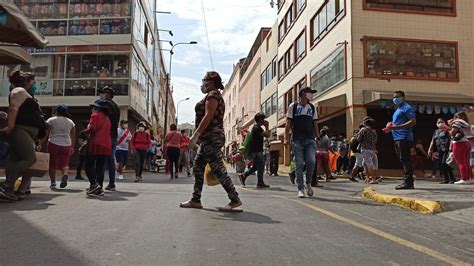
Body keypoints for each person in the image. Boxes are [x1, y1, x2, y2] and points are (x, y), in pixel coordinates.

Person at [180, 71, 241, 210]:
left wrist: (195, 136)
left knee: (217, 168)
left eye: (204, 80)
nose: (203, 83)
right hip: (209, 137)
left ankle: (235, 199)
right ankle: (196, 199)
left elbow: (208, 116)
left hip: (212, 137)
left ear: (212, 81)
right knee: (198, 166)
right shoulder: (213, 95)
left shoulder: (213, 95)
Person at [0, 71, 45, 201]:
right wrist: (10, 126)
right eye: (33, 81)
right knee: (30, 159)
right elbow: (13, 108)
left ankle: (7, 190)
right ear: (26, 80)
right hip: (21, 131)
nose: (35, 84)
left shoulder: (25, 94)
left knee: (15, 159)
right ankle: (6, 186)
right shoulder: (18, 91)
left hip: (27, 132)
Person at [284, 86, 319, 198]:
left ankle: (308, 183)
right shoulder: (293, 106)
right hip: (297, 140)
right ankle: (300, 188)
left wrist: (317, 137)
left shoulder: (312, 107)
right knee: (299, 164)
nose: (311, 95)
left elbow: (315, 123)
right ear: (303, 93)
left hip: (310, 139)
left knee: (311, 161)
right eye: (310, 93)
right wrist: (285, 138)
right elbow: (288, 123)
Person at [385, 90, 417, 190]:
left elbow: (413, 122)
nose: (395, 99)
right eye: (394, 97)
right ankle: (407, 180)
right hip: (397, 137)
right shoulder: (398, 109)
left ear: (403, 97)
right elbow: (397, 122)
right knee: (403, 160)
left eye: (397, 97)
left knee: (406, 160)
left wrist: (396, 127)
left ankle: (408, 182)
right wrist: (390, 125)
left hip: (404, 137)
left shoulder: (407, 108)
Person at [43, 104, 76, 190]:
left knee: (52, 164)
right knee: (64, 163)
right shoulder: (70, 122)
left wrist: (40, 142)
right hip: (66, 144)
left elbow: (46, 133)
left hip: (53, 143)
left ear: (57, 111)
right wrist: (72, 146)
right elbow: (73, 136)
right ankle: (65, 174)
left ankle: (53, 183)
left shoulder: (51, 120)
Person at [83, 99, 111, 196]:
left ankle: (94, 184)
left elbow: (92, 128)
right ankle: (99, 188)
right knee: (100, 167)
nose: (92, 109)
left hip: (95, 143)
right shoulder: (107, 118)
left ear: (98, 108)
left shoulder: (95, 115)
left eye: (94, 107)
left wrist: (85, 131)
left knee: (88, 165)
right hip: (106, 145)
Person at [238, 112, 271, 188]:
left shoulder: (257, 128)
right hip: (257, 151)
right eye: (263, 119)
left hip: (255, 150)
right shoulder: (257, 128)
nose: (264, 120)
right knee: (261, 166)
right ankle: (260, 182)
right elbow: (267, 135)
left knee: (256, 167)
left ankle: (243, 175)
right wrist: (267, 126)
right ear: (259, 119)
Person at [98, 86, 120, 191]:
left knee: (101, 158)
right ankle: (112, 183)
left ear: (108, 94)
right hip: (114, 135)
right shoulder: (116, 106)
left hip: (106, 134)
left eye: (103, 93)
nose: (102, 95)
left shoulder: (105, 104)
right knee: (110, 159)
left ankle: (98, 184)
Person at [428, 118, 455, 184]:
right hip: (439, 149)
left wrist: (450, 147)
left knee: (445, 163)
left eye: (442, 122)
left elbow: (451, 138)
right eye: (438, 122)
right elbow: (433, 141)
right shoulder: (436, 131)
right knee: (441, 164)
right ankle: (446, 179)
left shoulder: (447, 130)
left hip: (446, 149)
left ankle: (452, 178)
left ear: (444, 123)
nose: (440, 124)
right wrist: (430, 149)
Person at [449, 112, 472, 184]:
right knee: (466, 162)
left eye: (455, 116)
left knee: (461, 162)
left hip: (459, 144)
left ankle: (464, 179)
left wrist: (447, 128)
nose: (454, 118)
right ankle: (468, 178)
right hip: (467, 142)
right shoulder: (466, 123)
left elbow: (452, 133)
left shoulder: (458, 122)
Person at [358, 119, 379, 184]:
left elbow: (359, 139)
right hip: (373, 149)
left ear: (366, 123)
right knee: (365, 163)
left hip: (365, 149)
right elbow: (375, 140)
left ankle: (373, 179)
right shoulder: (374, 131)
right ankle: (368, 178)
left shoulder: (363, 130)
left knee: (369, 164)